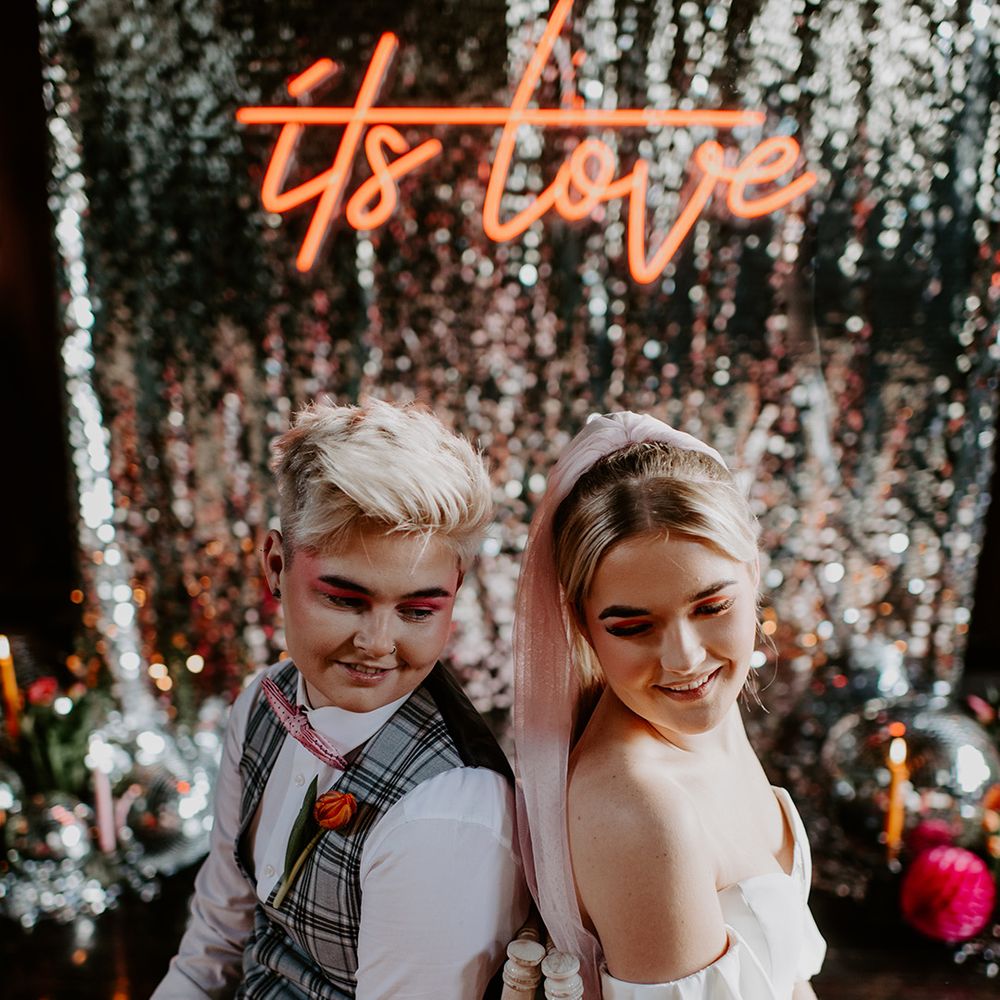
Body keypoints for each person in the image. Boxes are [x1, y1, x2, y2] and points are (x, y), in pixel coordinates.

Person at [155, 397, 529, 999]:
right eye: (345, 599)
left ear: (455, 591)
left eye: (417, 609)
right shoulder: (259, 704)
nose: (377, 643)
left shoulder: (445, 817)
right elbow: (217, 939)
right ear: (276, 565)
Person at [513, 411, 826, 999]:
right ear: (582, 626)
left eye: (711, 608)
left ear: (752, 575)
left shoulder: (701, 711)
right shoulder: (640, 809)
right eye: (633, 626)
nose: (684, 659)